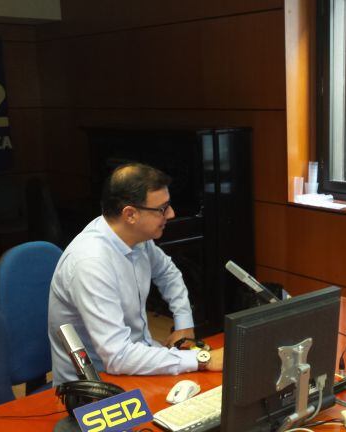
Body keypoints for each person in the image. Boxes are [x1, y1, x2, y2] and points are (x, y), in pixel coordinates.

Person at [48, 162, 223, 385]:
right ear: (130, 214)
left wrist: (184, 323)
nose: (171, 214)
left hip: (135, 361)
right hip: (95, 385)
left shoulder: (133, 237)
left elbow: (168, 273)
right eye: (162, 209)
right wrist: (203, 359)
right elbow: (117, 357)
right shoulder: (91, 262)